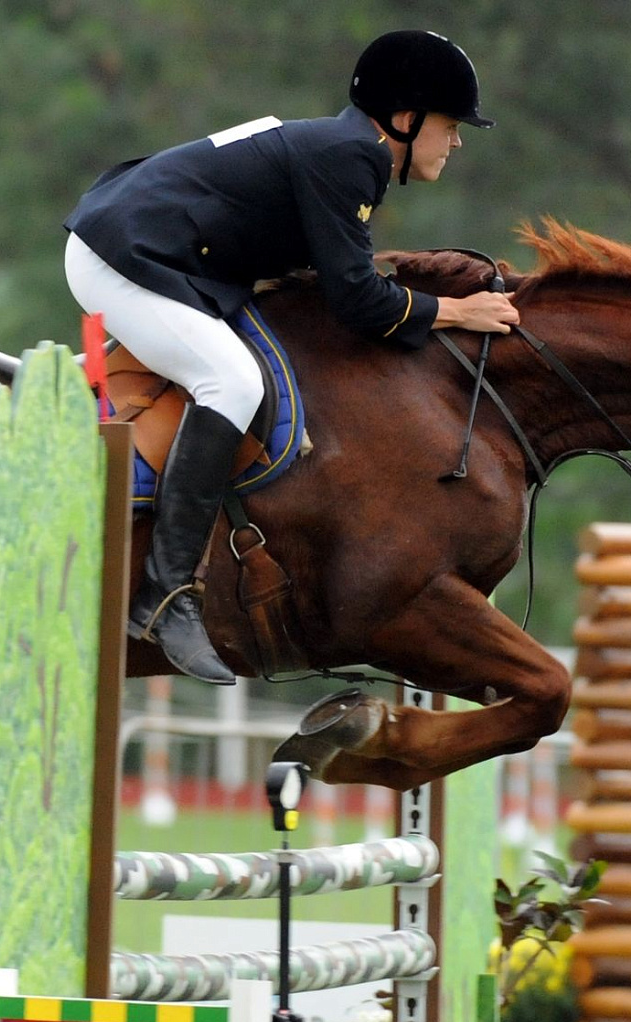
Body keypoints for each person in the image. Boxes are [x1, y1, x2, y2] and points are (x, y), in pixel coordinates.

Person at [62, 30, 521, 684]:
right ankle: (165, 597)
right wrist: (456, 311)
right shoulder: (351, 156)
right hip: (123, 256)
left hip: (155, 247)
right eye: (450, 125)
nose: (459, 139)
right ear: (404, 119)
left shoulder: (345, 151)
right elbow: (358, 300)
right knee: (231, 381)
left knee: (231, 358)